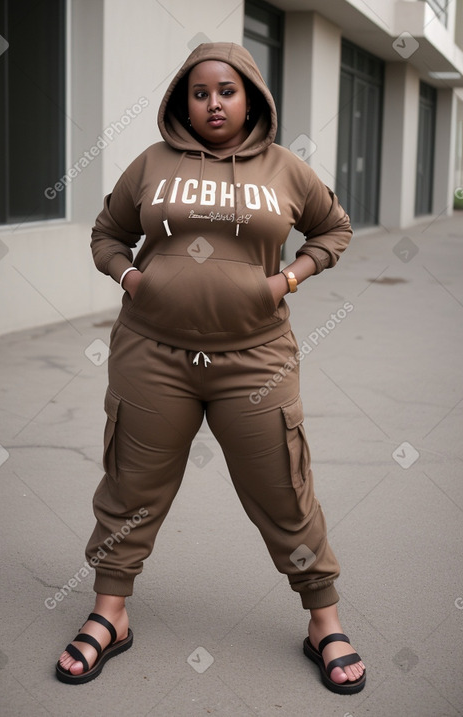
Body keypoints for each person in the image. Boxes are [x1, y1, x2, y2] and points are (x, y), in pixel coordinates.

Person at [56, 41, 366, 694]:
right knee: (130, 487)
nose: (214, 103)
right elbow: (106, 234)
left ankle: (324, 619)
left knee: (284, 489)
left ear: (249, 95)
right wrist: (134, 278)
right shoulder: (152, 166)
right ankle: (110, 613)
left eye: (226, 90)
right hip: (152, 354)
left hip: (254, 358)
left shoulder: (285, 169)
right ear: (183, 102)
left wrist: (284, 280)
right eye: (200, 93)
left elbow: (333, 228)